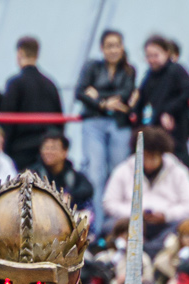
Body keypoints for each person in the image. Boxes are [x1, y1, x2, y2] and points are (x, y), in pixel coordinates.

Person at [104, 125, 189, 250]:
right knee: (108, 226)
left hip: (167, 224)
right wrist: (136, 214)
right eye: (146, 156)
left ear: (162, 154)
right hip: (131, 223)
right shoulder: (123, 170)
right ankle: (150, 249)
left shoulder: (179, 171)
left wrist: (165, 215)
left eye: (154, 156)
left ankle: (148, 249)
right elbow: (109, 203)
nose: (149, 161)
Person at [77, 29, 140, 197]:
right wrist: (104, 104)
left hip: (119, 124)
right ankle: (98, 213)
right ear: (102, 48)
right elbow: (80, 92)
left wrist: (97, 97)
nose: (113, 50)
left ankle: (117, 212)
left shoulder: (129, 70)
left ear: (122, 47)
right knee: (95, 173)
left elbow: (125, 94)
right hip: (94, 122)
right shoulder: (92, 67)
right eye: (109, 46)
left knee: (119, 171)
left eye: (116, 46)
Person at [135, 35, 189, 159]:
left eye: (156, 55)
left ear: (166, 53)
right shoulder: (150, 75)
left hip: (176, 123)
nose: (152, 60)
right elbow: (142, 98)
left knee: (178, 155)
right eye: (149, 56)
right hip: (158, 124)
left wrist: (169, 111)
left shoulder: (175, 70)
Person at [0, 35, 63, 170]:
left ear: (20, 53)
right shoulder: (50, 84)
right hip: (46, 150)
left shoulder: (15, 84)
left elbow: (6, 120)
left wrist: (5, 148)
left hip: (20, 150)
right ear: (37, 54)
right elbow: (60, 120)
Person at [30, 128, 97, 215]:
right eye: (46, 148)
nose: (48, 152)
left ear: (65, 152)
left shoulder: (72, 175)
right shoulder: (34, 173)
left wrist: (70, 196)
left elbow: (87, 189)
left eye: (53, 148)